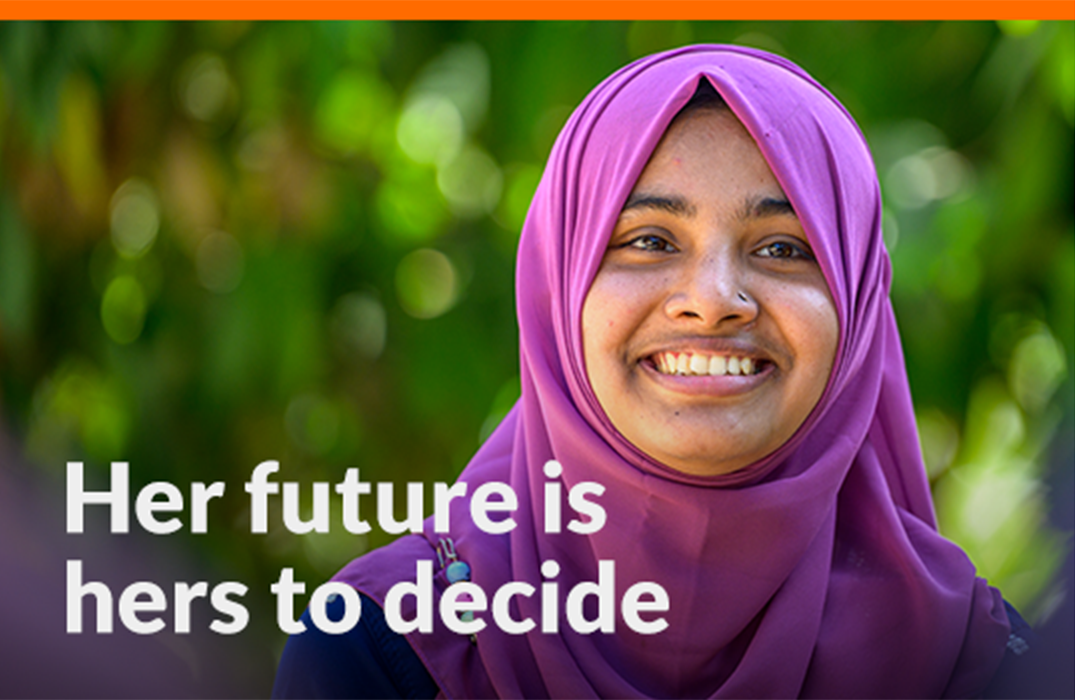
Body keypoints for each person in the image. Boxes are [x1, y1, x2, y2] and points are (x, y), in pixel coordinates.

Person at [273, 45, 1031, 698]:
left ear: (858, 303)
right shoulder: (380, 655)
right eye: (647, 240)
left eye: (781, 248)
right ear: (558, 284)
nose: (712, 301)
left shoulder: (977, 666)